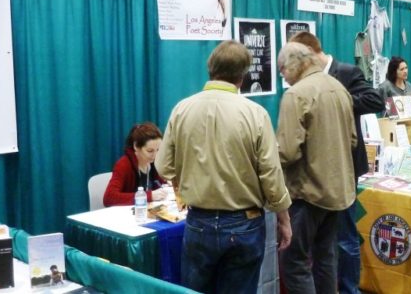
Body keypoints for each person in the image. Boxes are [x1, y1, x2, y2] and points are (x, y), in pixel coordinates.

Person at [155, 40, 292, 294]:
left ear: (210, 68)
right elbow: (272, 177)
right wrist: (284, 219)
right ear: (243, 75)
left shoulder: (182, 109)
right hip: (245, 223)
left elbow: (163, 166)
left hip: (198, 222)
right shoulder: (255, 114)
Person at [289, 31, 383, 294]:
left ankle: (349, 289)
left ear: (309, 53)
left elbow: (375, 100)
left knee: (345, 238)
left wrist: (336, 100)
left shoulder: (347, 72)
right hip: (314, 175)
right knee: (323, 244)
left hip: (344, 169)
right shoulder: (303, 83)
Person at [276, 42, 357, 294]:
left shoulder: (296, 94)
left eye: (283, 71)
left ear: (295, 64)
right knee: (326, 258)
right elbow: (353, 140)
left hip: (306, 193)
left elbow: (287, 151)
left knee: (294, 262)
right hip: (337, 192)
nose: (283, 78)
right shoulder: (339, 88)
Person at [103, 122, 167, 207]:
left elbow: (159, 184)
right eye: (150, 151)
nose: (155, 155)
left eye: (158, 150)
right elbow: (109, 198)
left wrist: (167, 184)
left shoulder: (152, 163)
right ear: (136, 146)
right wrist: (149, 196)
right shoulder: (124, 165)